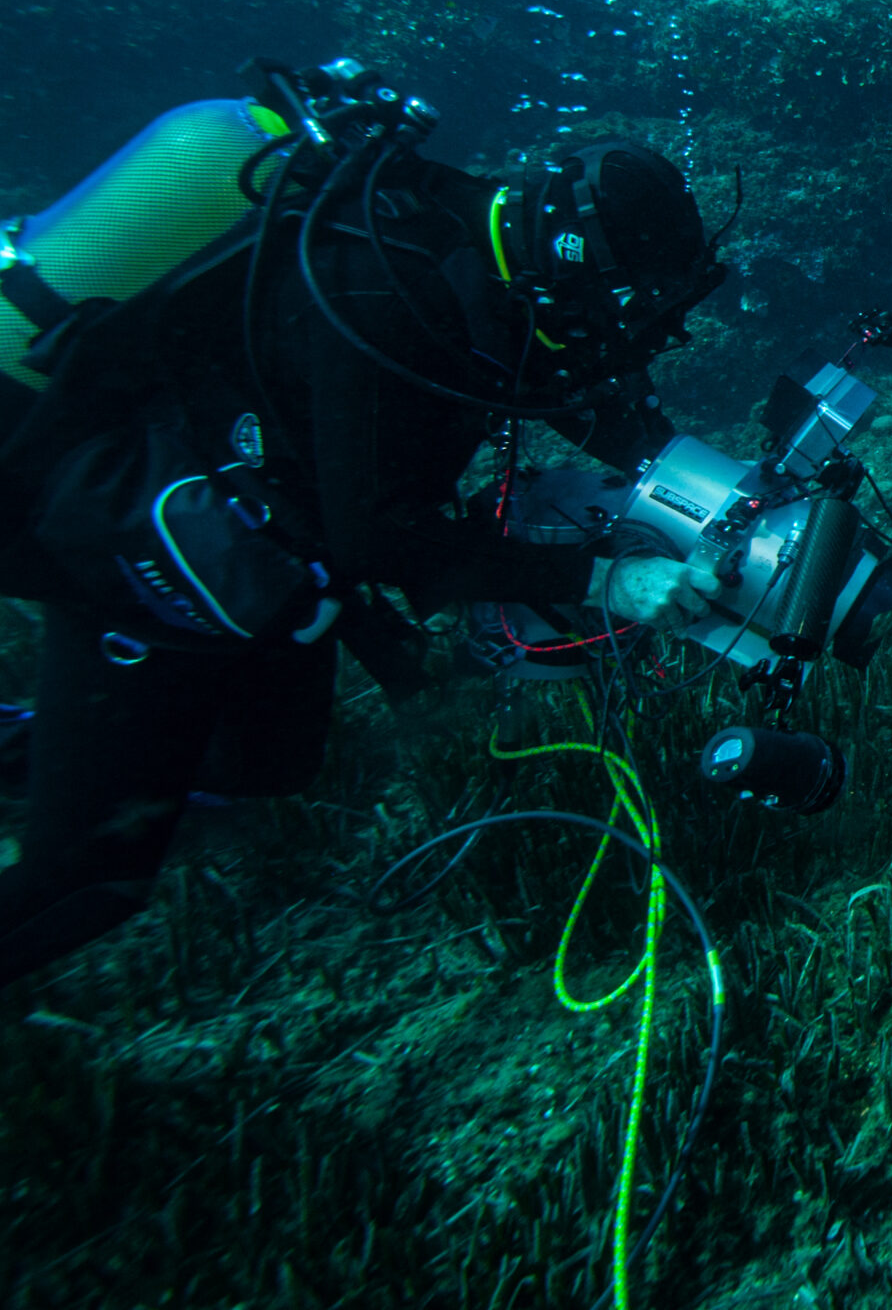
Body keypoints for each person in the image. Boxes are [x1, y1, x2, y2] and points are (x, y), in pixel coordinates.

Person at [0, 59, 725, 986]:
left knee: (274, 764)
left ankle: (55, 745)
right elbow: (379, 542)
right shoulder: (381, 300)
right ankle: (58, 747)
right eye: (628, 314)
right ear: (578, 276)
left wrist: (715, 494)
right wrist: (601, 579)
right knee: (91, 881)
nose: (630, 340)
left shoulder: (483, 256)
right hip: (104, 519)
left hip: (250, 519)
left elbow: (588, 398)